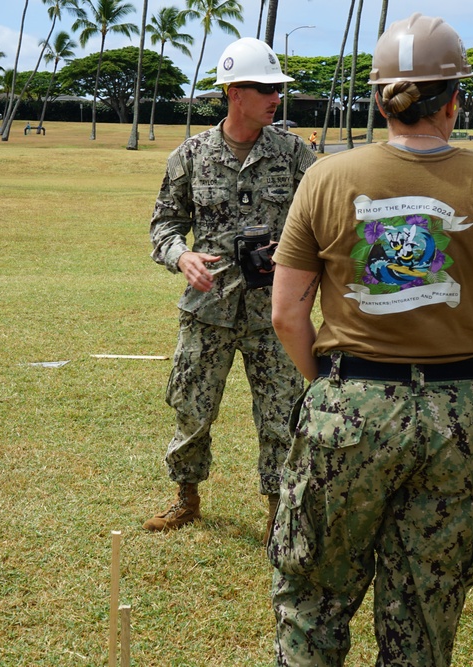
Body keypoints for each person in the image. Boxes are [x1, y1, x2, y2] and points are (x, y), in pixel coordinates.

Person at [267, 14, 473, 665]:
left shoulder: (326, 177)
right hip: (458, 412)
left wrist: (329, 385)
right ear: (456, 97)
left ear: (380, 99)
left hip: (350, 407)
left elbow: (287, 311)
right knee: (423, 617)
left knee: (314, 603)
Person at [145, 37, 317, 534]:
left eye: (277, 88)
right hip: (208, 309)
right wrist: (183, 257)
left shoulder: (293, 154)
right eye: (263, 88)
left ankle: (277, 512)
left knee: (282, 414)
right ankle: (186, 497)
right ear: (233, 92)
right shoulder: (192, 155)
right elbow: (164, 225)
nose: (275, 97)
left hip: (276, 313)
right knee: (192, 408)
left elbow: (330, 208)